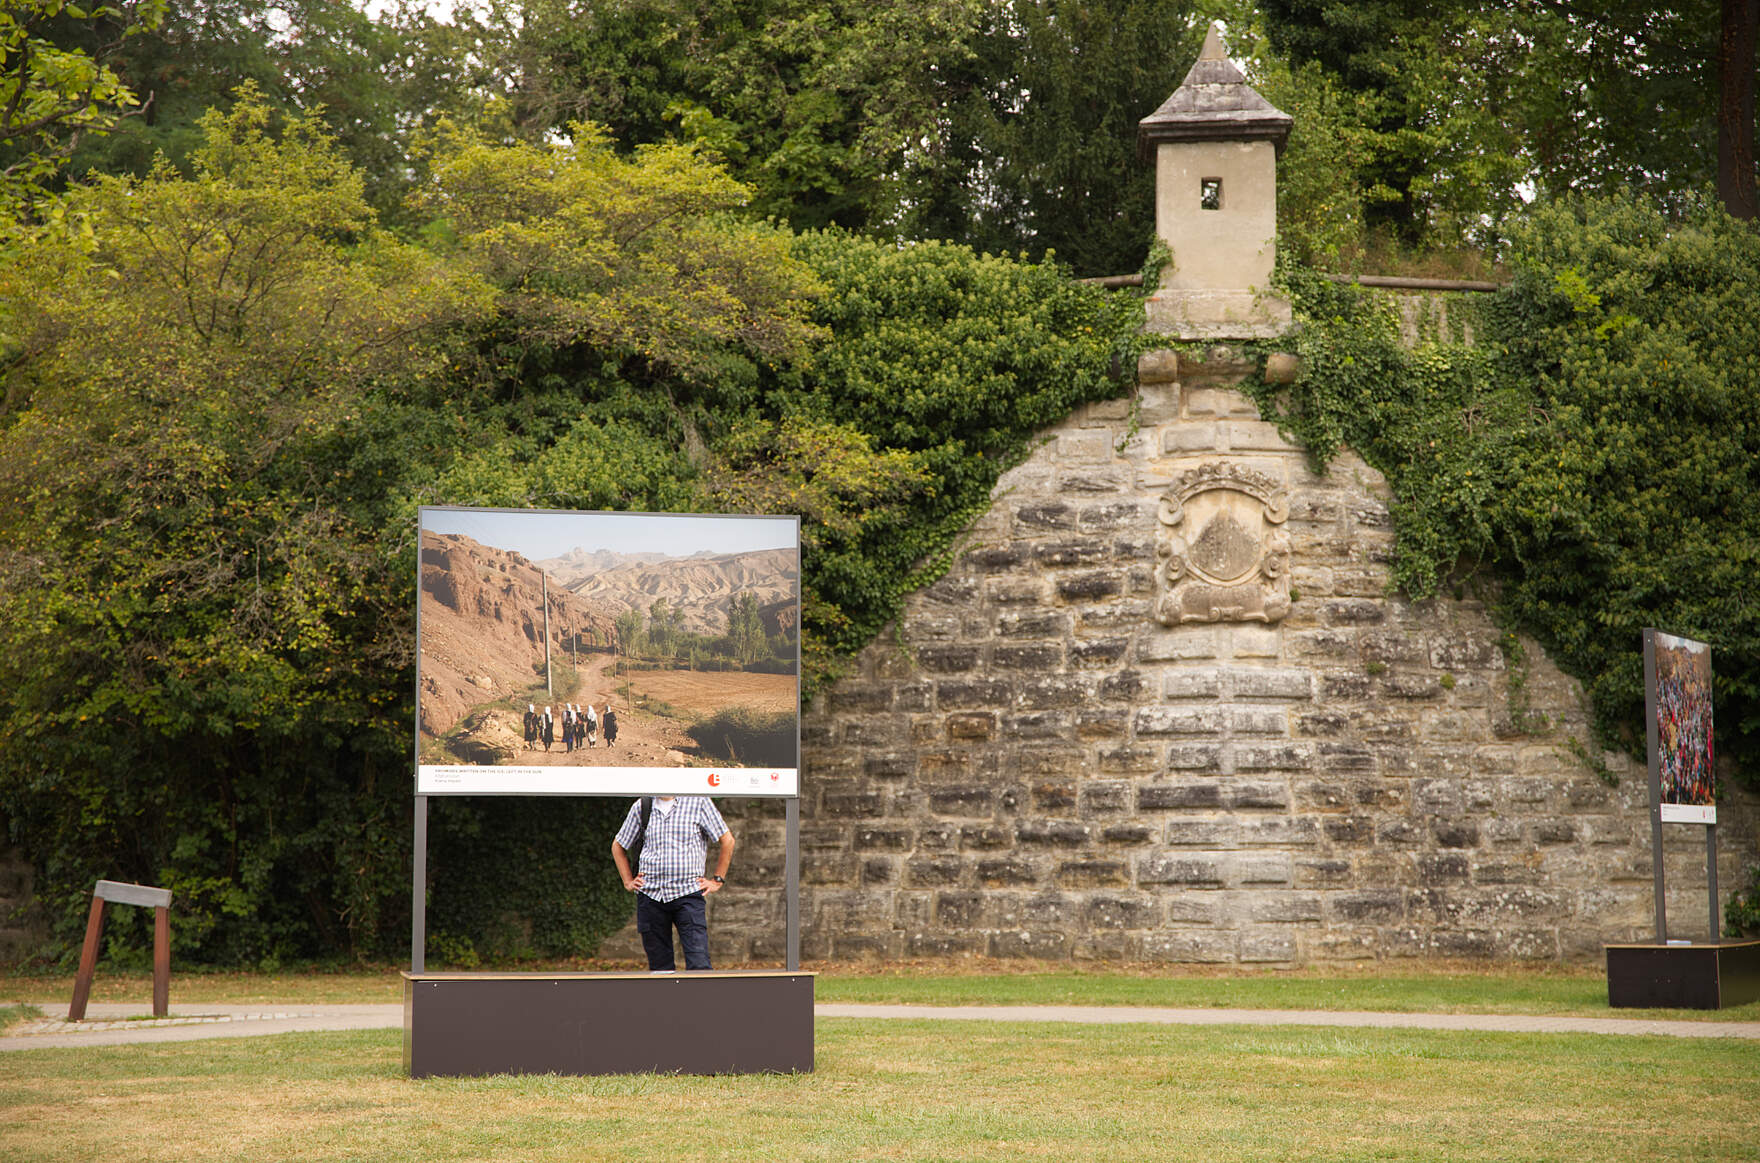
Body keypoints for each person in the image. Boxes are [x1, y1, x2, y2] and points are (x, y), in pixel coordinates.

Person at [611, 795, 733, 972]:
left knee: (699, 963)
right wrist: (627, 881)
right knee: (660, 968)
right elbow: (618, 845)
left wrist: (717, 880)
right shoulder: (643, 805)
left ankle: (702, 999)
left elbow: (727, 840)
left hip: (688, 894)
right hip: (650, 896)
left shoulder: (698, 801)